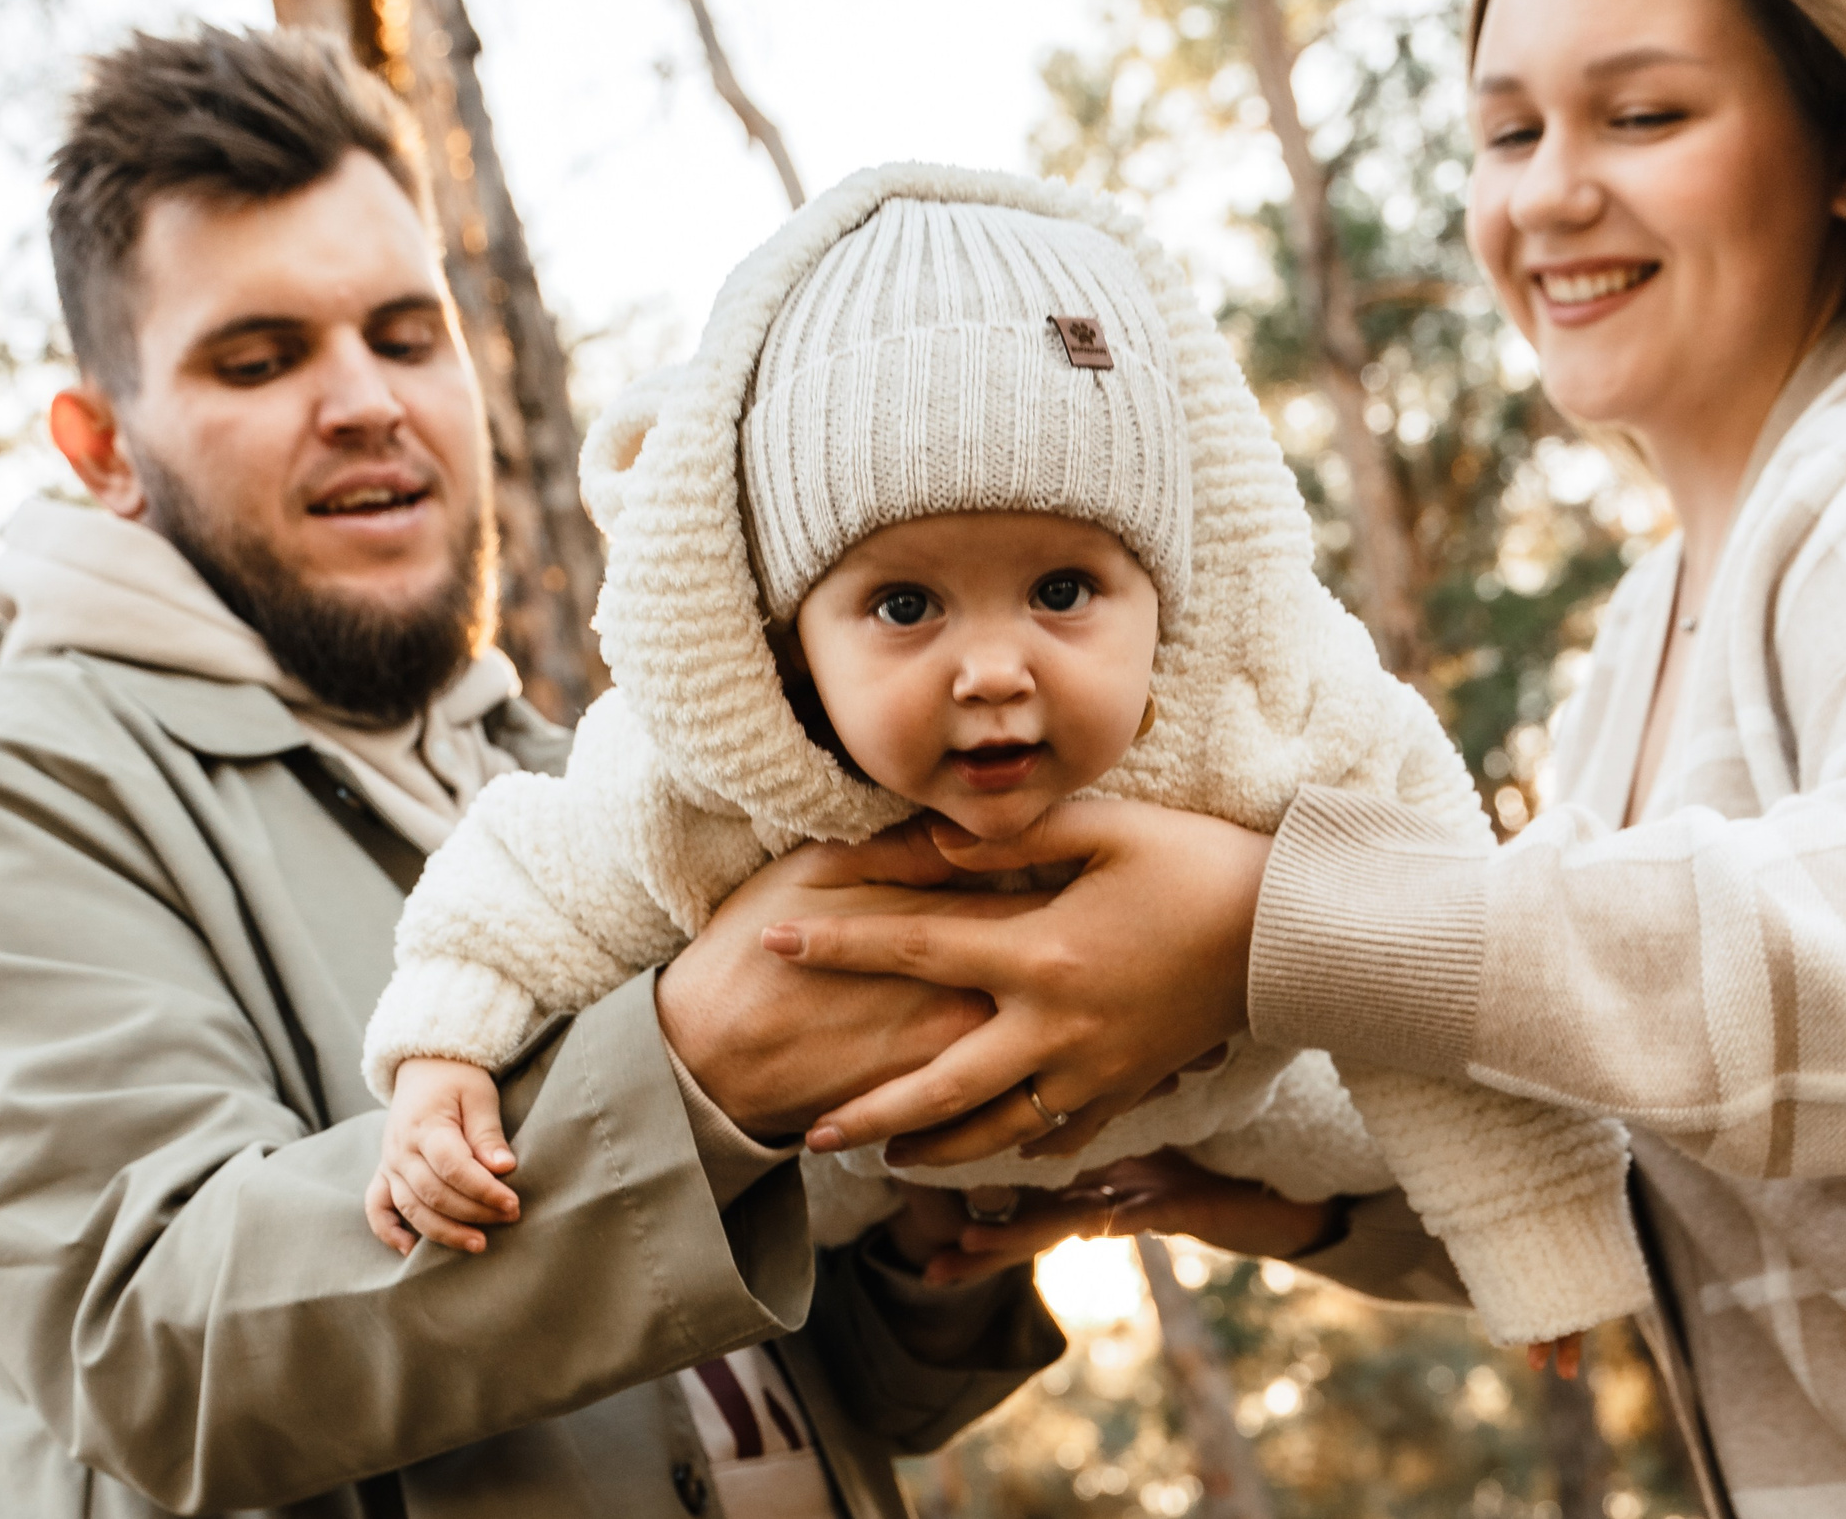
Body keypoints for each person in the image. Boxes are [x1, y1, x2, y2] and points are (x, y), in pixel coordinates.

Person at [753, 0, 1846, 1513]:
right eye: (1507, 131)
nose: (1548, 191)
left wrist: (1281, 920)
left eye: (1642, 115)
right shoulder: (1644, 654)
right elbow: (1720, 1136)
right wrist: (1236, 1173)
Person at [0, 26, 1068, 1518]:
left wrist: (945, 1240)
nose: (366, 400)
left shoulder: (566, 786)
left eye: (404, 336)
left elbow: (834, 1390)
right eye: (260, 357)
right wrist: (693, 1074)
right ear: (104, 449)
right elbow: (153, 1350)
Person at [358, 163, 1652, 1351]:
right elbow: (523, 885)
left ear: (1166, 589)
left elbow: (1423, 949)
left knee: (1348, 1124)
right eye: (906, 608)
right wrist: (438, 1066)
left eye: (1063, 587)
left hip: (1213, 1103)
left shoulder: (1266, 717)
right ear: (793, 642)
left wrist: (1543, 1248)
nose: (993, 670)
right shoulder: (706, 777)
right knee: (757, 1230)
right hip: (859, 1157)